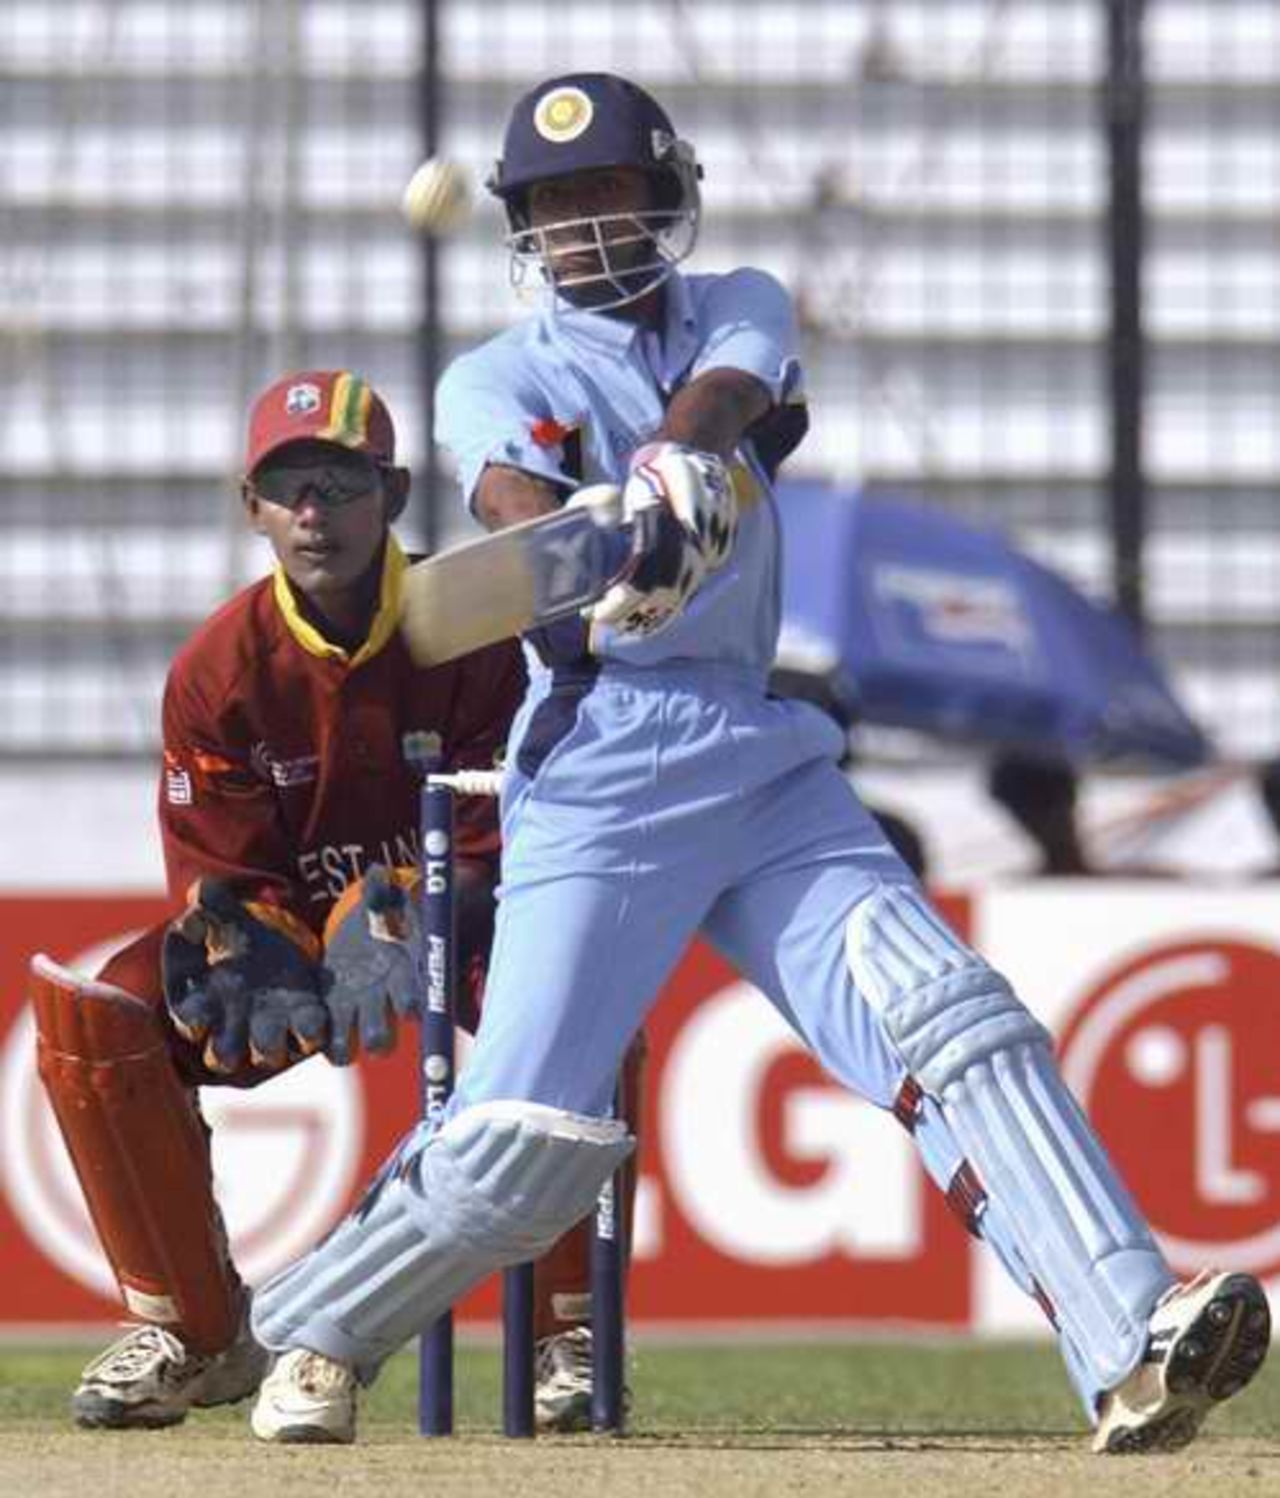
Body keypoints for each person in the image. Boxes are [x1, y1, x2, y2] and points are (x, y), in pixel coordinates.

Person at [247, 76, 1271, 1452]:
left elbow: (729, 395)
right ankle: (311, 1330)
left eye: (607, 194)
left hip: (764, 753)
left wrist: (676, 468)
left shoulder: (741, 302)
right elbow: (509, 517)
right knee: (521, 1143)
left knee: (953, 1020)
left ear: (663, 198)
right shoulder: (495, 375)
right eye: (553, 208)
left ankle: (1132, 1338)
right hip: (603, 769)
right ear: (522, 232)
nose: (584, 229)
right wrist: (598, 544)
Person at [30, 368, 612, 1433]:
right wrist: (255, 933)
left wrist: (425, 905)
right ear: (250, 506)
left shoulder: (467, 620)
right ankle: (194, 1333)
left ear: (390, 495)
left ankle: (563, 1336)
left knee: (586, 994)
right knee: (101, 1015)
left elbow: (521, 824)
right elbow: (225, 872)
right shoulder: (220, 665)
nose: (314, 512)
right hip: (301, 934)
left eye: (340, 485)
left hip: (463, 913)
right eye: (289, 486)